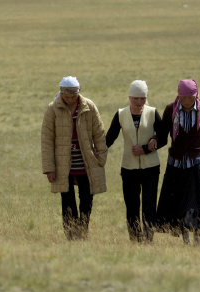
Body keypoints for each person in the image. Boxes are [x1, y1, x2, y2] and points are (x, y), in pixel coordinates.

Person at [155, 79, 200, 246]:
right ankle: (185, 240)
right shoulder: (170, 110)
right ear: (178, 96)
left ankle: (198, 239)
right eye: (183, 98)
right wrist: (152, 143)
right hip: (176, 165)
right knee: (180, 202)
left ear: (196, 96)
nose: (187, 102)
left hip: (198, 165)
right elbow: (163, 134)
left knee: (198, 203)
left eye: (190, 98)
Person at [41, 76, 108, 240]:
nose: (70, 99)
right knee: (68, 201)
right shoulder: (53, 109)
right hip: (64, 165)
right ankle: (71, 235)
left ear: (78, 93)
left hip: (86, 162)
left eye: (73, 96)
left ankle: (83, 232)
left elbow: (99, 133)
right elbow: (47, 140)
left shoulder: (89, 107)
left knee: (87, 200)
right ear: (61, 93)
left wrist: (101, 156)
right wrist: (49, 168)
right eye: (67, 96)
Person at [106, 80, 163, 243]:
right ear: (129, 97)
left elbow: (163, 137)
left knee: (149, 206)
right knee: (131, 207)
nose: (139, 102)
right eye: (136, 98)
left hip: (151, 168)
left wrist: (146, 147)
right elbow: (110, 138)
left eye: (142, 98)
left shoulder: (152, 113)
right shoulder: (120, 114)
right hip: (129, 168)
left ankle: (148, 240)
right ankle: (135, 240)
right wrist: (96, 151)